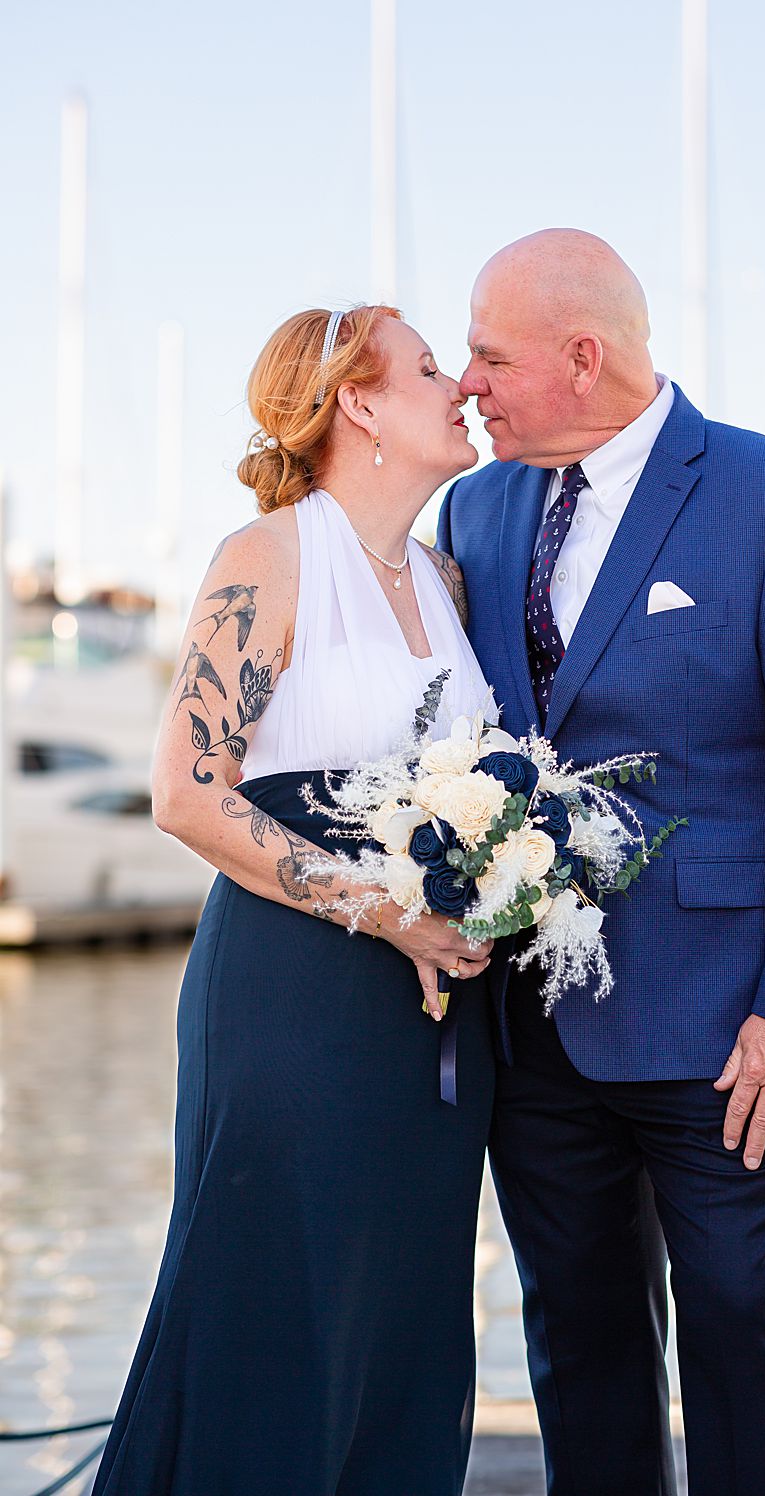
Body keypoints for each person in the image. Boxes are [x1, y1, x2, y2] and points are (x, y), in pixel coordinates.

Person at [436, 229, 765, 1494]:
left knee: (737, 1330)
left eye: (489, 355)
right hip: (532, 1024)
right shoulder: (473, 510)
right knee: (575, 1341)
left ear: (581, 358)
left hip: (727, 1030)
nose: (467, 383)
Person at [94, 306, 500, 1493]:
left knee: (403, 1321)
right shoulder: (270, 556)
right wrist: (384, 910)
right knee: (273, 1316)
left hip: (432, 1013)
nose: (461, 384)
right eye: (430, 369)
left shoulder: (447, 578)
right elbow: (185, 789)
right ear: (359, 404)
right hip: (295, 997)